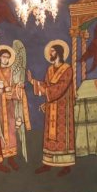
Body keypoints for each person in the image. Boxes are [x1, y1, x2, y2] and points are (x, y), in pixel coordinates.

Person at [28, 40, 76, 175]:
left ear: (59, 53)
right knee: (49, 136)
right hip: (51, 107)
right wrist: (33, 82)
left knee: (62, 135)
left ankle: (65, 165)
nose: (51, 53)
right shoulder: (49, 69)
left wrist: (46, 93)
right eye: (50, 52)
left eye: (53, 51)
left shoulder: (67, 69)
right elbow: (46, 84)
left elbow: (60, 88)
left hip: (63, 109)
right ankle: (48, 163)